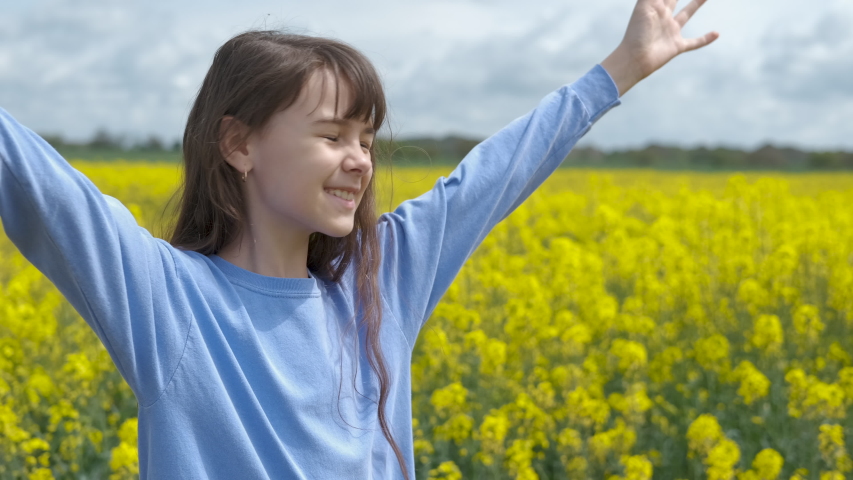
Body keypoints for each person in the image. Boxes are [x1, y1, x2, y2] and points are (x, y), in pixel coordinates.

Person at [0, 0, 718, 478]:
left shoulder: (382, 282)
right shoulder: (166, 300)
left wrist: (619, 69)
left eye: (367, 139)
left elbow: (493, 175)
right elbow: (40, 184)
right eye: (332, 135)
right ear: (238, 144)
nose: (360, 160)